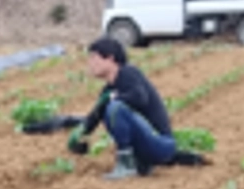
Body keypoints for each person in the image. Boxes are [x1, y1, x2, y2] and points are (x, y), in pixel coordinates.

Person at [66, 38, 176, 180]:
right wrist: (79, 135)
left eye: (94, 57)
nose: (90, 63)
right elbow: (95, 116)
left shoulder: (128, 73)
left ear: (110, 58)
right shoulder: (109, 89)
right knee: (107, 109)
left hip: (161, 143)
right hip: (149, 144)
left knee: (115, 108)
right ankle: (139, 163)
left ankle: (126, 165)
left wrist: (115, 97)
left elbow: (140, 97)